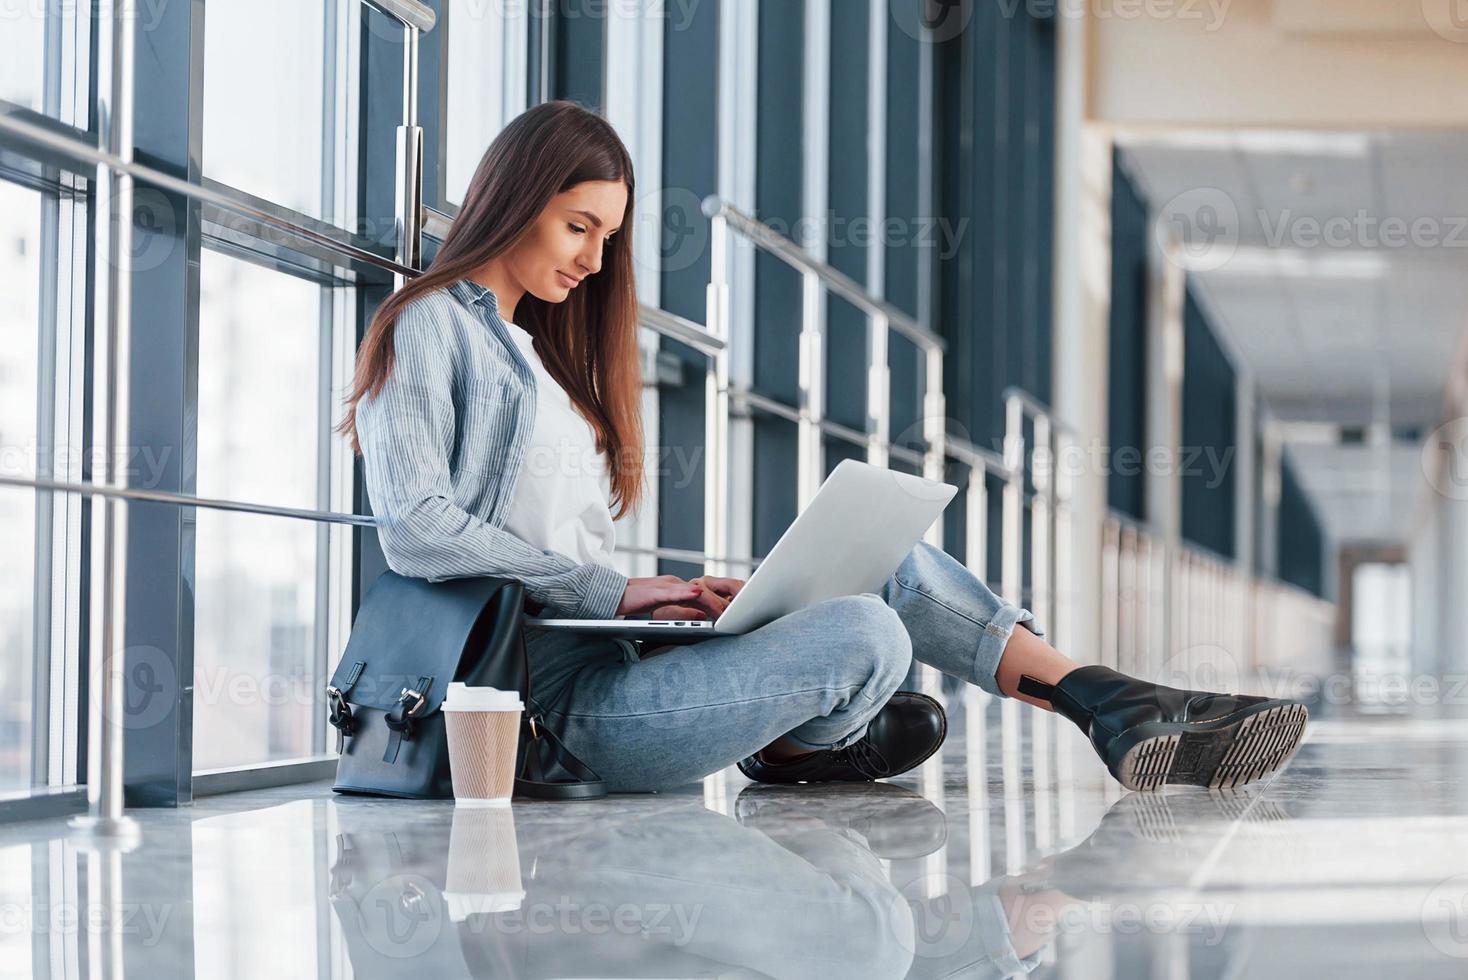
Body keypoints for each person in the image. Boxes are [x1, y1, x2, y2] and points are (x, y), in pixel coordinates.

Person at [336, 100, 1308, 795]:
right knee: (866, 635)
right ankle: (808, 745)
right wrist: (613, 591)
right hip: (553, 707)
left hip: (614, 655)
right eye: (577, 225)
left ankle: (1110, 699)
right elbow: (417, 529)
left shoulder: (547, 358)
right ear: (512, 200)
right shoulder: (429, 325)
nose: (593, 259)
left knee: (890, 562)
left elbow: (558, 548)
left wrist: (668, 598)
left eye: (606, 235)